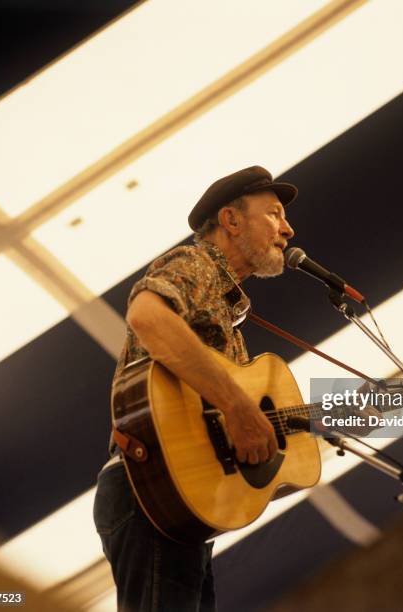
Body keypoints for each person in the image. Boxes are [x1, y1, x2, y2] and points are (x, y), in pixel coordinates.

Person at [93, 165, 298, 611]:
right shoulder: (195, 263)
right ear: (231, 220)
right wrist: (240, 409)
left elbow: (230, 437)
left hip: (182, 502)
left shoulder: (229, 322)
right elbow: (147, 317)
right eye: (275, 214)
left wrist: (315, 427)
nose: (288, 228)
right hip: (149, 490)